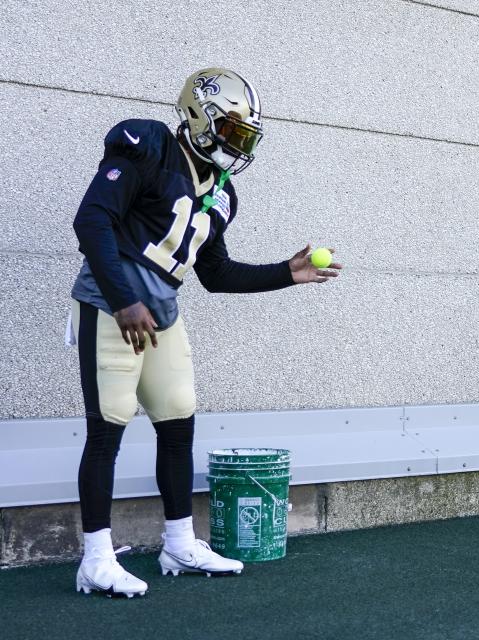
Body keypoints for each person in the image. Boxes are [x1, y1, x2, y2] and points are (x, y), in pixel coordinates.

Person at [68, 68, 341, 597]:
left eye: (245, 137)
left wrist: (287, 273)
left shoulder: (220, 192)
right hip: (110, 305)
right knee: (107, 431)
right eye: (232, 131)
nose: (236, 146)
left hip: (163, 313)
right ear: (198, 117)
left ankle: (178, 544)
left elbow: (215, 275)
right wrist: (124, 300)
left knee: (178, 423)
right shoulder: (147, 146)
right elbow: (91, 222)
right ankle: (95, 558)